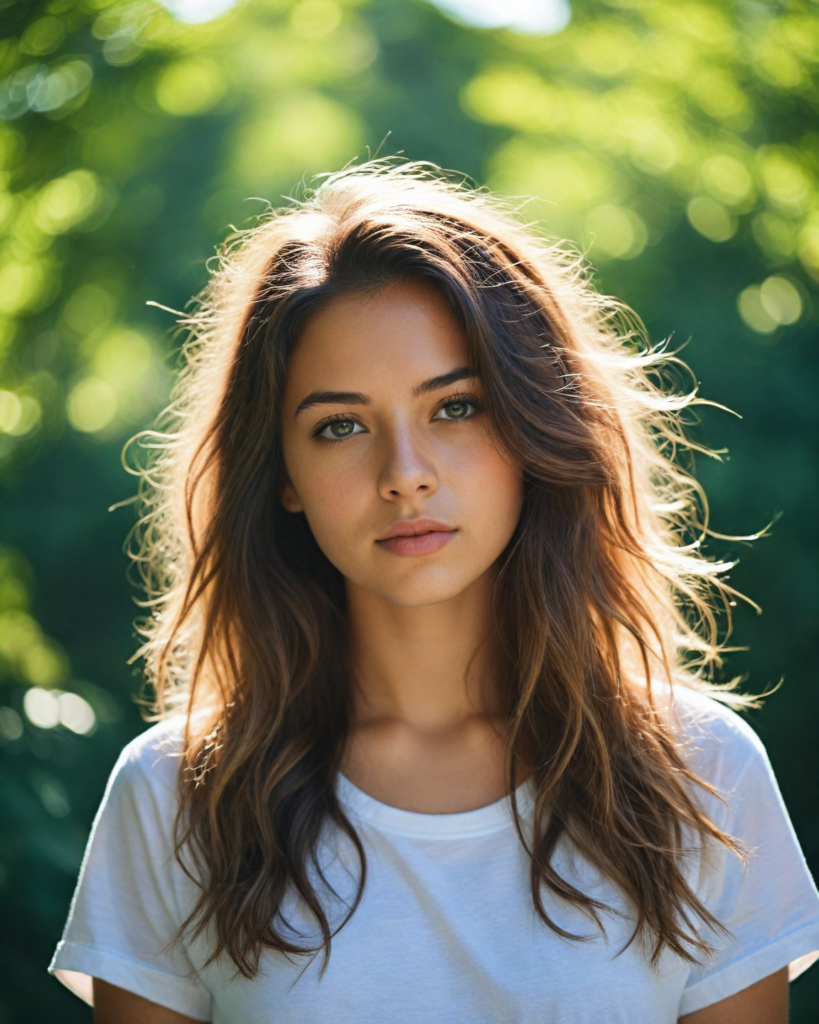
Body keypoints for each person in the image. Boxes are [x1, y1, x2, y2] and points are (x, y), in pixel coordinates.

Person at [49, 160, 819, 1023]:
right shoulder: (178, 794)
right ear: (284, 476)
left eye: (454, 408)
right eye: (339, 427)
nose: (404, 476)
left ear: (534, 423)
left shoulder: (703, 775)